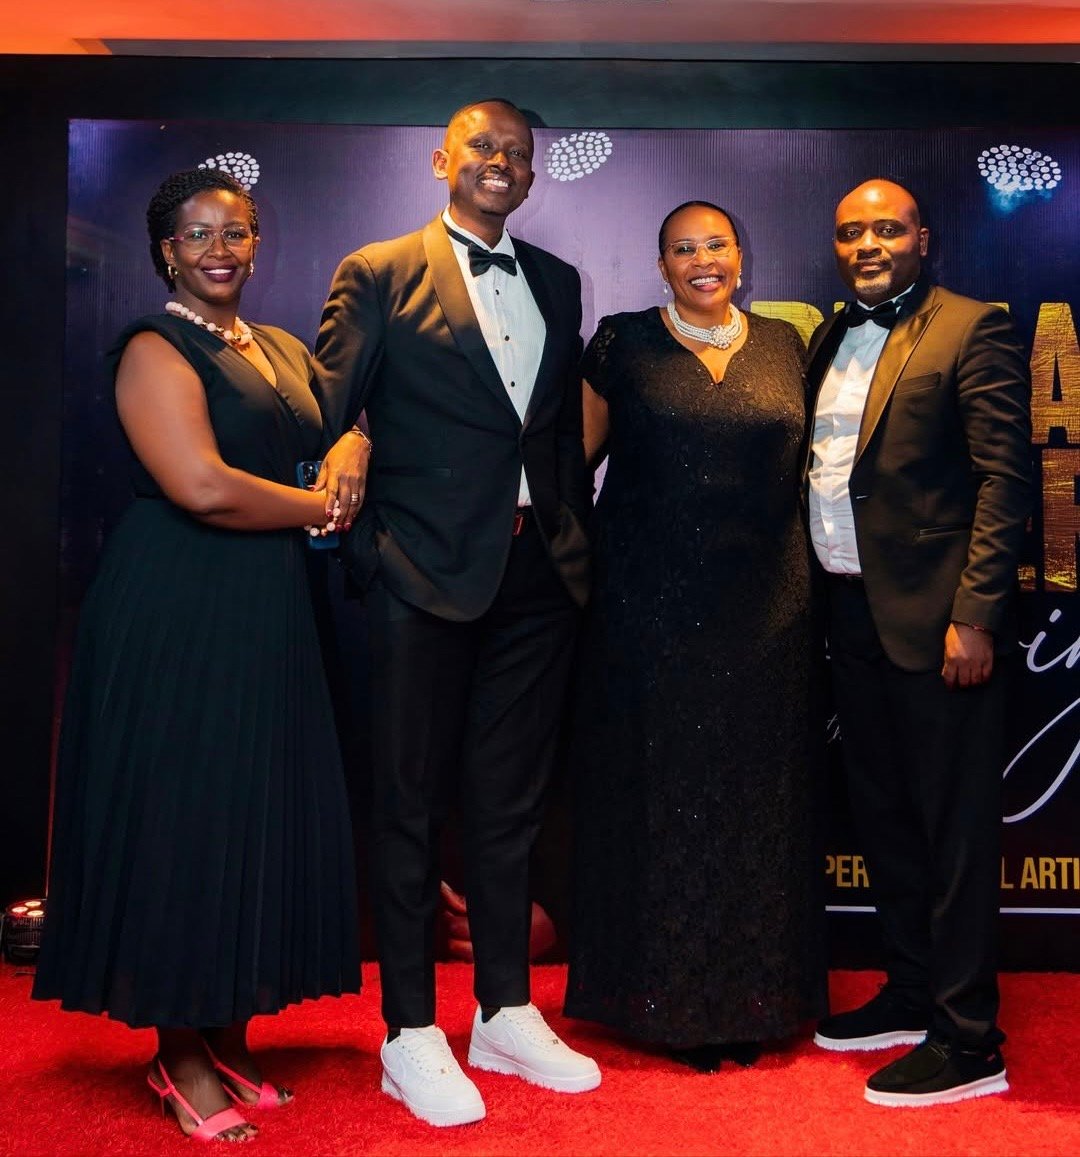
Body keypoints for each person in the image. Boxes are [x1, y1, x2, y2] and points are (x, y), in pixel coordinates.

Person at [32, 169, 362, 1141]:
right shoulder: (154, 345)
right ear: (165, 251)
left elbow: (344, 421)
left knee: (250, 815)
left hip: (269, 608)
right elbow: (201, 485)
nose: (220, 248)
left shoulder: (282, 346)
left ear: (257, 243)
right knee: (184, 820)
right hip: (178, 605)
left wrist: (353, 446)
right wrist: (322, 504)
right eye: (197, 233)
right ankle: (176, 1054)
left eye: (237, 231)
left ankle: (225, 1034)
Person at [312, 98, 599, 1128]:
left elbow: (552, 431)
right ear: (442, 160)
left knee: (510, 804)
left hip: (535, 577)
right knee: (406, 804)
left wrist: (570, 541)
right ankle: (408, 1029)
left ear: (532, 175)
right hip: (421, 570)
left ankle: (505, 1010)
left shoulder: (558, 280)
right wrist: (352, 451)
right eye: (482, 145)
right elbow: (324, 408)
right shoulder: (378, 269)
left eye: (517, 152)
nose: (500, 161)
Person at [564, 200, 827, 1070]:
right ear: (662, 266)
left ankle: (757, 999)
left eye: (716, 244)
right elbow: (568, 464)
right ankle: (664, 1002)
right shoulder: (625, 342)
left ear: (741, 257)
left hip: (770, 615)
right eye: (683, 249)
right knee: (662, 803)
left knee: (758, 806)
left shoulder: (788, 346)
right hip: (650, 616)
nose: (702, 260)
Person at [807, 180, 1032, 1105]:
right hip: (848, 616)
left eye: (886, 228)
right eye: (850, 231)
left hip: (941, 624)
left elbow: (1004, 478)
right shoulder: (828, 336)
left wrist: (975, 615)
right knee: (885, 819)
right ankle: (910, 991)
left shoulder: (973, 327)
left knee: (954, 834)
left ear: (922, 238)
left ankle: (970, 1037)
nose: (868, 244)